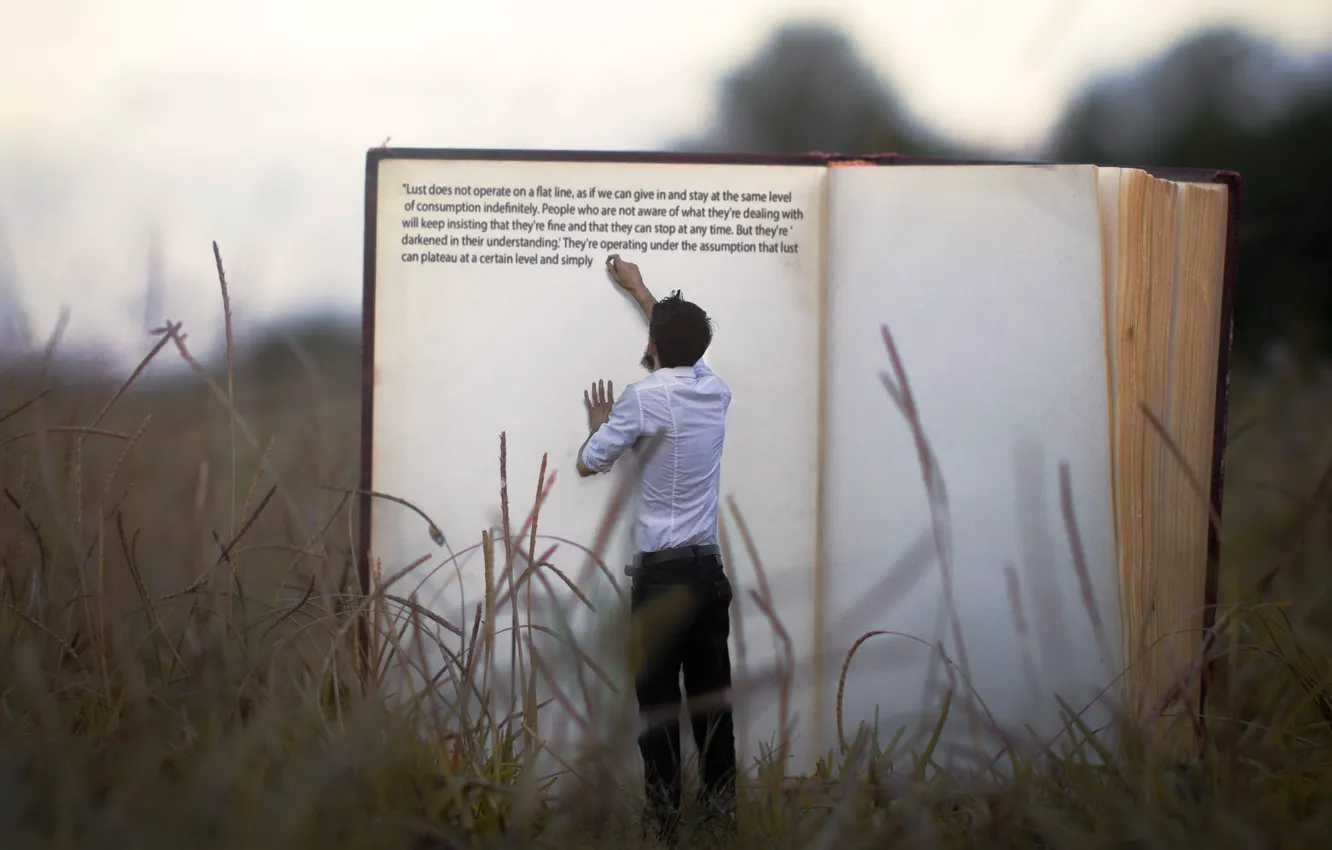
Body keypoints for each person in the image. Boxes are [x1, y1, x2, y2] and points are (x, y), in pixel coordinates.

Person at [576, 254, 737, 843]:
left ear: (655, 345)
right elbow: (683, 350)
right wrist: (642, 291)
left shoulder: (641, 399)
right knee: (714, 712)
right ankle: (723, 826)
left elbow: (588, 462)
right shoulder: (715, 391)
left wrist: (600, 423)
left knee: (659, 716)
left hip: (661, 581)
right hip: (708, 576)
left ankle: (666, 831)